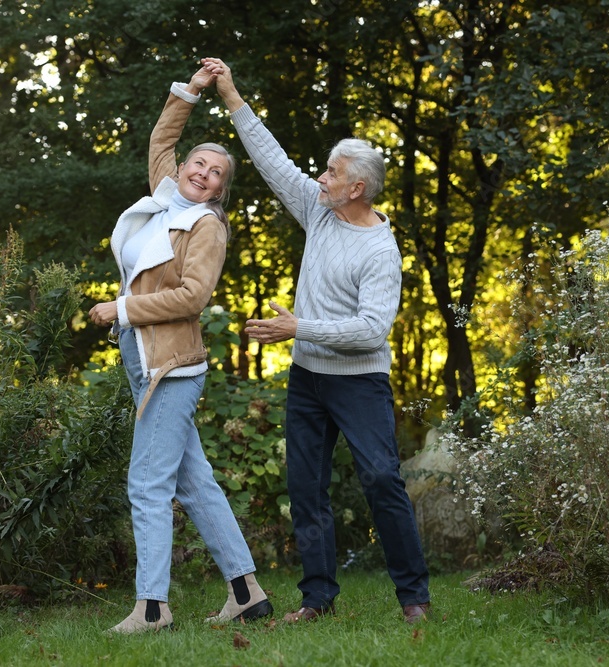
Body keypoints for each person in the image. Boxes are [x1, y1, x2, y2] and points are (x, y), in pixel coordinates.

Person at [202, 57, 432, 625]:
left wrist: (297, 327)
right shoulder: (319, 212)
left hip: (358, 382)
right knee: (306, 489)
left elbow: (370, 331)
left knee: (382, 479)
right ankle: (317, 601)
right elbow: (272, 159)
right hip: (308, 379)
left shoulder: (381, 251)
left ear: (357, 187)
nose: (320, 177)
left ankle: (414, 599)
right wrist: (231, 95)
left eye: (331, 172)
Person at [88, 65, 273, 633]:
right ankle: (247, 592)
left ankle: (152, 607)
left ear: (221, 188)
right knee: (194, 483)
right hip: (143, 359)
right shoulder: (166, 199)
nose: (204, 174)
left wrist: (120, 309)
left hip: (171, 367)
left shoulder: (205, 227)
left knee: (147, 483)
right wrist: (192, 90)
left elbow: (192, 298)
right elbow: (162, 138)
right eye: (199, 163)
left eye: (217, 173)